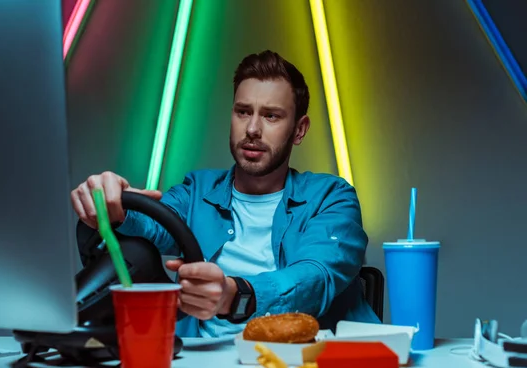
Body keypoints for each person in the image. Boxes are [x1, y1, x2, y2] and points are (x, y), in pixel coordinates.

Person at [70, 50, 381, 338]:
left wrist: (236, 295)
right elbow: (148, 225)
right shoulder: (197, 191)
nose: (253, 129)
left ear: (299, 129)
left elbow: (316, 277)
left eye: (271, 116)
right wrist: (109, 203)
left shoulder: (332, 197)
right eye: (243, 112)